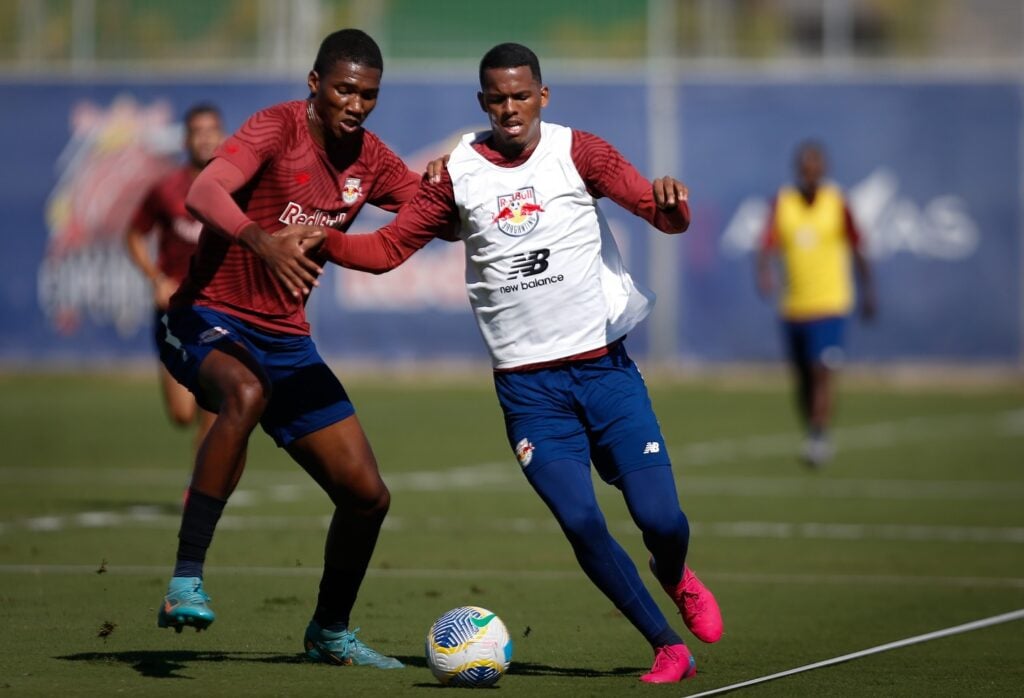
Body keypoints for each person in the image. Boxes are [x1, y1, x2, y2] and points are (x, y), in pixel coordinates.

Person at [312, 42, 723, 684]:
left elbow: (657, 211)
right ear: (483, 103)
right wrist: (324, 240)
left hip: (605, 373)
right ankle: (667, 646)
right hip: (530, 393)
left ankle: (674, 573)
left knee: (661, 520)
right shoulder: (454, 174)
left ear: (543, 96)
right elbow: (389, 249)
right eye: (498, 99)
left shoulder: (579, 151)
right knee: (582, 520)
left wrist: (673, 202)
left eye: (521, 96)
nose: (510, 109)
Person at [154, 28, 426, 670]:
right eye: (344, 89)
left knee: (368, 496)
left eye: (369, 95)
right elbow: (203, 192)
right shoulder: (275, 129)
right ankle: (184, 580)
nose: (356, 104)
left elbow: (426, 209)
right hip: (204, 320)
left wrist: (448, 186)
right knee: (244, 393)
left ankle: (330, 631)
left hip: (286, 341)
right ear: (314, 85)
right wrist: (260, 239)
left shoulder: (373, 160)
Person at [755, 141, 876, 467]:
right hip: (794, 306)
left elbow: (858, 247)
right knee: (803, 378)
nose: (810, 176)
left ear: (824, 170)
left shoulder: (837, 203)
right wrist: (764, 273)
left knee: (821, 370)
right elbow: (765, 244)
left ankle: (819, 437)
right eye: (804, 170)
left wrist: (869, 291)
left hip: (831, 304)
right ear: (798, 171)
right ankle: (813, 427)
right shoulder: (784, 202)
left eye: (815, 170)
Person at [126, 103, 223, 453]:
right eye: (197, 131)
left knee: (219, 397)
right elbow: (134, 234)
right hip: (175, 311)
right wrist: (156, 278)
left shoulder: (236, 186)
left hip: (220, 310)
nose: (205, 138)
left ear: (223, 136)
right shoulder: (166, 189)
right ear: (186, 140)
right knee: (182, 414)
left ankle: (200, 488)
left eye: (212, 130)